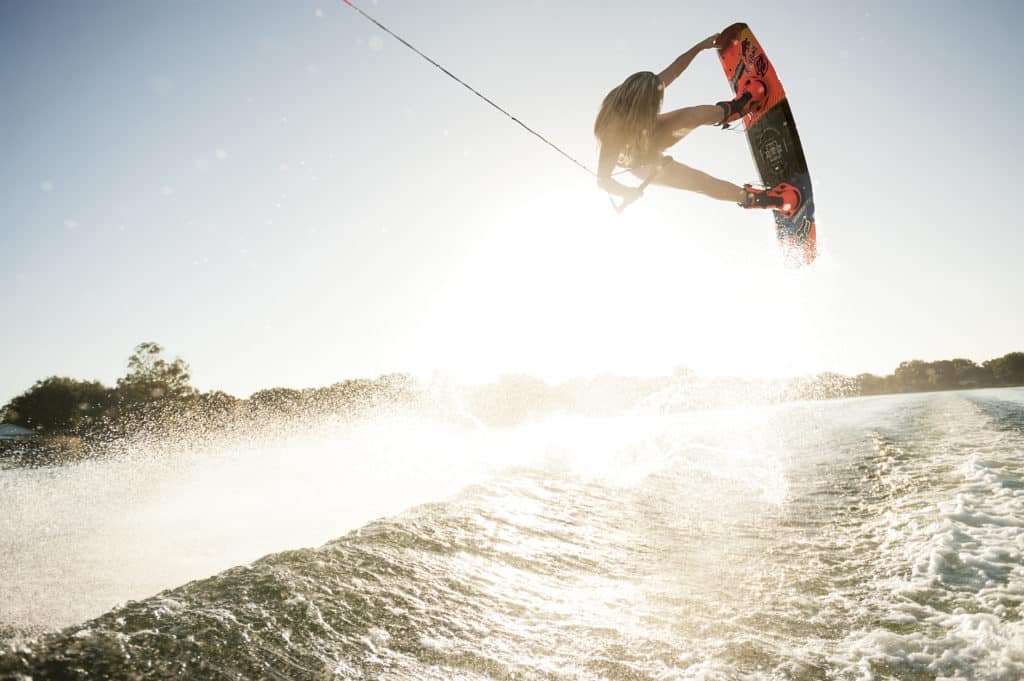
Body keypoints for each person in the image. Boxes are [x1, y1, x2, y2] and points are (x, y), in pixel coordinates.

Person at [594, 33, 801, 216]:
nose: (657, 105)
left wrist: (700, 47)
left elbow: (675, 69)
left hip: (651, 132)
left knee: (694, 115)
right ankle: (762, 199)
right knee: (698, 182)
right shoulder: (611, 135)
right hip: (639, 160)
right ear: (636, 108)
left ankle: (738, 106)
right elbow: (603, 179)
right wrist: (626, 192)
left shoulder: (645, 87)